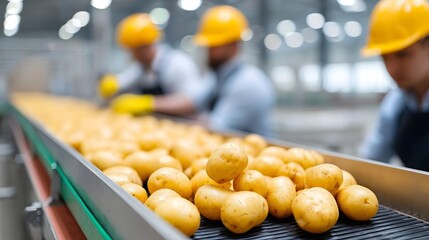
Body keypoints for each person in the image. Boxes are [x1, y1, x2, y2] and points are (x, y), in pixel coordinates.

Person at [359, 0, 429, 171]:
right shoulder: (396, 102)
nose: (392, 68)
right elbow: (372, 159)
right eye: (384, 57)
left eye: (402, 54)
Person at [99, 13, 205, 116]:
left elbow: (192, 102)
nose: (131, 55)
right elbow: (126, 79)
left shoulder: (177, 64)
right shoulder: (142, 67)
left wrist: (150, 103)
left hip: (184, 122)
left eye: (133, 50)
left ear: (144, 47)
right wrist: (113, 84)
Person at [193, 5, 276, 136]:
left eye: (214, 45)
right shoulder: (218, 76)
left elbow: (216, 127)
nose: (208, 51)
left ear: (233, 44)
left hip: (253, 153)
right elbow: (193, 101)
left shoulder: (248, 84)